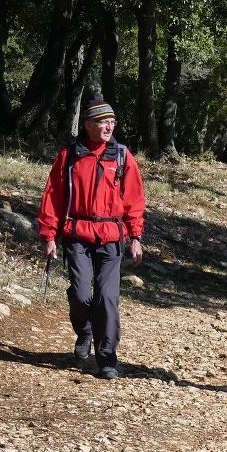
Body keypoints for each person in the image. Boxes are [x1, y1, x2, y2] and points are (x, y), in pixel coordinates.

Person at [37, 100, 145, 379]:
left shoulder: (122, 156)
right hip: (77, 236)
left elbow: (134, 199)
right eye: (103, 122)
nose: (109, 127)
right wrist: (49, 236)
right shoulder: (69, 156)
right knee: (82, 295)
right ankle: (84, 331)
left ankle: (107, 358)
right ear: (87, 125)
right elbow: (53, 198)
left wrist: (136, 236)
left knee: (107, 297)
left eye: (112, 122)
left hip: (111, 238)